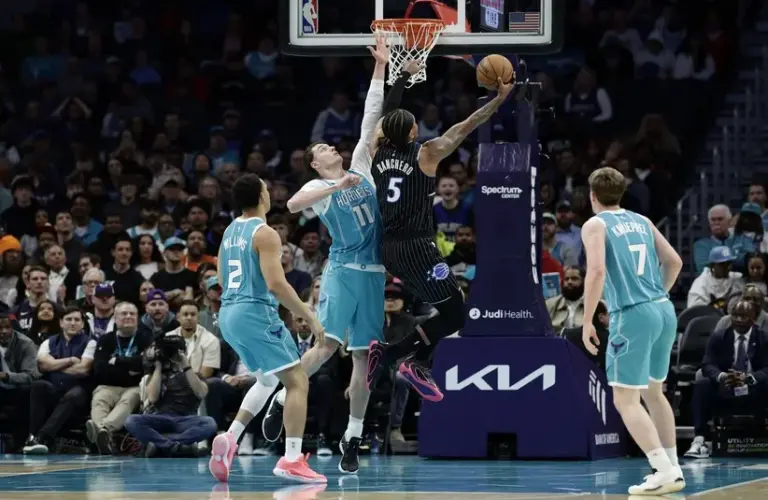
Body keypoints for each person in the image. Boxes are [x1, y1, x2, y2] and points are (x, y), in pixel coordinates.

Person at [263, 35, 392, 475]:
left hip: (374, 273)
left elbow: (371, 117)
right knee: (326, 344)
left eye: (331, 147)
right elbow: (294, 204)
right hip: (341, 270)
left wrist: (381, 68)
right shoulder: (320, 190)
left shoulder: (359, 164)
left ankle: (353, 436)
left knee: (366, 358)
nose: (332, 149)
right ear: (316, 164)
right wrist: (337, 187)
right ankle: (282, 397)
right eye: (323, 150)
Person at [365, 76, 514, 401]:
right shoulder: (427, 154)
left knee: (448, 308)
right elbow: (467, 125)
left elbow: (386, 114)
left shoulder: (376, 151)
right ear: (413, 132)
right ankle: (405, 359)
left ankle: (401, 358)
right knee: (457, 314)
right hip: (417, 247)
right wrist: (499, 99)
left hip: (389, 249)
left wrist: (402, 77)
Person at [208, 173, 326, 484]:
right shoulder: (266, 233)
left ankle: (231, 438)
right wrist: (309, 315)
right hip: (254, 313)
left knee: (266, 378)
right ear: (263, 196)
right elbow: (276, 285)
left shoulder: (230, 230)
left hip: (229, 314)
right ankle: (291, 459)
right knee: (298, 380)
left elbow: (220, 279)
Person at [580, 166, 685, 495]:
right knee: (654, 393)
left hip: (633, 315)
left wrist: (587, 320)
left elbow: (596, 271)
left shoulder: (595, 224)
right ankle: (673, 468)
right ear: (622, 194)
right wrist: (657, 295)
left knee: (625, 399)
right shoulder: (642, 220)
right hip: (663, 309)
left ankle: (661, 469)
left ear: (592, 195)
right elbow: (675, 262)